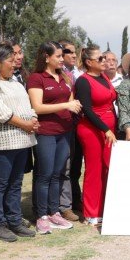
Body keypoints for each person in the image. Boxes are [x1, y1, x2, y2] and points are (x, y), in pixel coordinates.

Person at [0, 42, 39, 241]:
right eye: (10, 60)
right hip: (2, 141)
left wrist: (33, 120)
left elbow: (28, 107)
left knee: (15, 184)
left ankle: (14, 220)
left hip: (22, 141)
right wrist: (26, 124)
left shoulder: (16, 83)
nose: (14, 64)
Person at [27, 41, 81, 234]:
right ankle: (41, 216)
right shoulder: (36, 78)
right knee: (45, 174)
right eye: (58, 56)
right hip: (46, 132)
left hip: (64, 132)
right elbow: (38, 107)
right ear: (46, 57)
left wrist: (71, 105)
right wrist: (66, 106)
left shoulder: (64, 76)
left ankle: (53, 212)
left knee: (58, 174)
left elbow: (70, 100)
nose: (61, 59)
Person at [74, 47, 117, 226]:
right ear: (89, 62)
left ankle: (105, 208)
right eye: (100, 59)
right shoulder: (83, 81)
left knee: (107, 168)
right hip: (93, 129)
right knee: (94, 170)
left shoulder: (104, 77)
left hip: (109, 128)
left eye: (105, 58)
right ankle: (91, 213)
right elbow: (87, 110)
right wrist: (105, 129)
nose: (104, 61)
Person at [58, 39, 82, 218]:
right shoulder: (56, 75)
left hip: (75, 125)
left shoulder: (77, 74)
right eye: (68, 52)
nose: (73, 55)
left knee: (73, 168)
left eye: (75, 52)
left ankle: (73, 201)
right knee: (61, 168)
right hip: (58, 126)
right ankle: (61, 206)